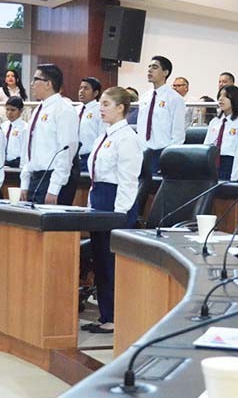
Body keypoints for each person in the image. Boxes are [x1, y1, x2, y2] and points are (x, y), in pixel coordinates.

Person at [83, 86, 142, 334]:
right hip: (99, 200)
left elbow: (129, 180)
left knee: (111, 263)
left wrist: (119, 214)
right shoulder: (104, 135)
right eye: (101, 104)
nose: (101, 108)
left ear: (121, 108)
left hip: (116, 203)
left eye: (106, 104)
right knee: (100, 262)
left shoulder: (127, 137)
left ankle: (116, 317)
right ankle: (106, 315)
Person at [19, 64, 79, 205]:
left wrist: (54, 188)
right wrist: (25, 182)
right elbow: (29, 149)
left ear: (48, 84)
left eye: (36, 79)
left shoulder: (64, 109)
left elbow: (65, 151)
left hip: (51, 178)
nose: (32, 84)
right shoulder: (38, 109)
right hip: (35, 177)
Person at [136, 56, 186, 174]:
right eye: (149, 67)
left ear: (165, 72)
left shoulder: (175, 98)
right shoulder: (145, 97)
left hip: (162, 152)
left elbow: (178, 134)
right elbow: (140, 126)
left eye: (154, 67)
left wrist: (168, 156)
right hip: (142, 151)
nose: (149, 70)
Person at [203, 85, 238, 181]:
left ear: (234, 99)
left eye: (226, 96)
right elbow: (206, 147)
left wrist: (235, 177)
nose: (221, 99)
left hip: (229, 166)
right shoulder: (215, 122)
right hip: (212, 165)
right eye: (220, 95)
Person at [77, 77, 105, 172]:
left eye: (86, 88)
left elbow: (102, 135)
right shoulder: (74, 110)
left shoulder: (100, 110)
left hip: (89, 157)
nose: (81, 91)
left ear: (95, 93)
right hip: (73, 159)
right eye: (80, 88)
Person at [2, 96, 27, 167]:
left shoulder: (24, 128)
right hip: (3, 164)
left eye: (13, 110)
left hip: (17, 164)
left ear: (21, 110)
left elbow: (25, 151)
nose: (9, 113)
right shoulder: (3, 126)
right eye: (7, 109)